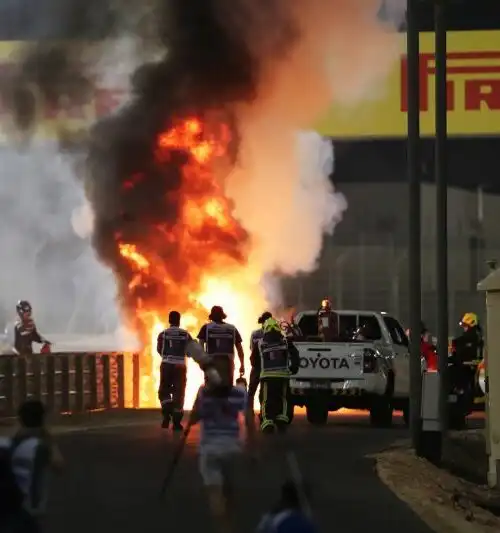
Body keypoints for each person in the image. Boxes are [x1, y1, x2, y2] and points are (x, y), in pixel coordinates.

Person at [187, 380, 255, 533]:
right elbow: (250, 420)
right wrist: (253, 449)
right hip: (233, 448)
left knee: (215, 493)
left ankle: (223, 527)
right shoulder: (240, 392)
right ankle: (230, 524)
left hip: (209, 449)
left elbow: (193, 419)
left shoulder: (204, 392)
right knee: (230, 491)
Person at [0, 400, 64, 532]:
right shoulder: (41, 445)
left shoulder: (10, 442)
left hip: (8, 506)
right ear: (42, 419)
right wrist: (50, 441)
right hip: (30, 507)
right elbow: (59, 466)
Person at [250, 317, 300, 434]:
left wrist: (260, 368)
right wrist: (294, 368)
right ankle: (282, 419)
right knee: (283, 398)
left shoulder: (260, 343)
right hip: (283, 376)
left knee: (266, 400)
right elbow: (295, 355)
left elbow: (253, 361)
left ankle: (267, 422)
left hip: (267, 377)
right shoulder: (286, 341)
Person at [156, 311, 192, 430]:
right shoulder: (185, 335)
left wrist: (168, 357)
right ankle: (176, 423)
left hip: (166, 365)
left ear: (169, 320)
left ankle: (167, 413)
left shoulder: (163, 334)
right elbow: (190, 352)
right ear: (179, 320)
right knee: (179, 393)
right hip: (180, 366)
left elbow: (159, 350)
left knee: (164, 391)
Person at [197, 306, 245, 387]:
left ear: (211, 316)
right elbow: (239, 349)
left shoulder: (206, 328)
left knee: (211, 391)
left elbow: (200, 348)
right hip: (228, 364)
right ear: (222, 316)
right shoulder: (232, 328)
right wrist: (242, 364)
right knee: (227, 391)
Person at [248, 312, 273, 406]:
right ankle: (250, 410)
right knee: (252, 390)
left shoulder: (256, 334)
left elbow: (252, 348)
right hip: (260, 365)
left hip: (263, 366)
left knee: (262, 391)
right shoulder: (256, 334)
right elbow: (252, 348)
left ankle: (262, 411)